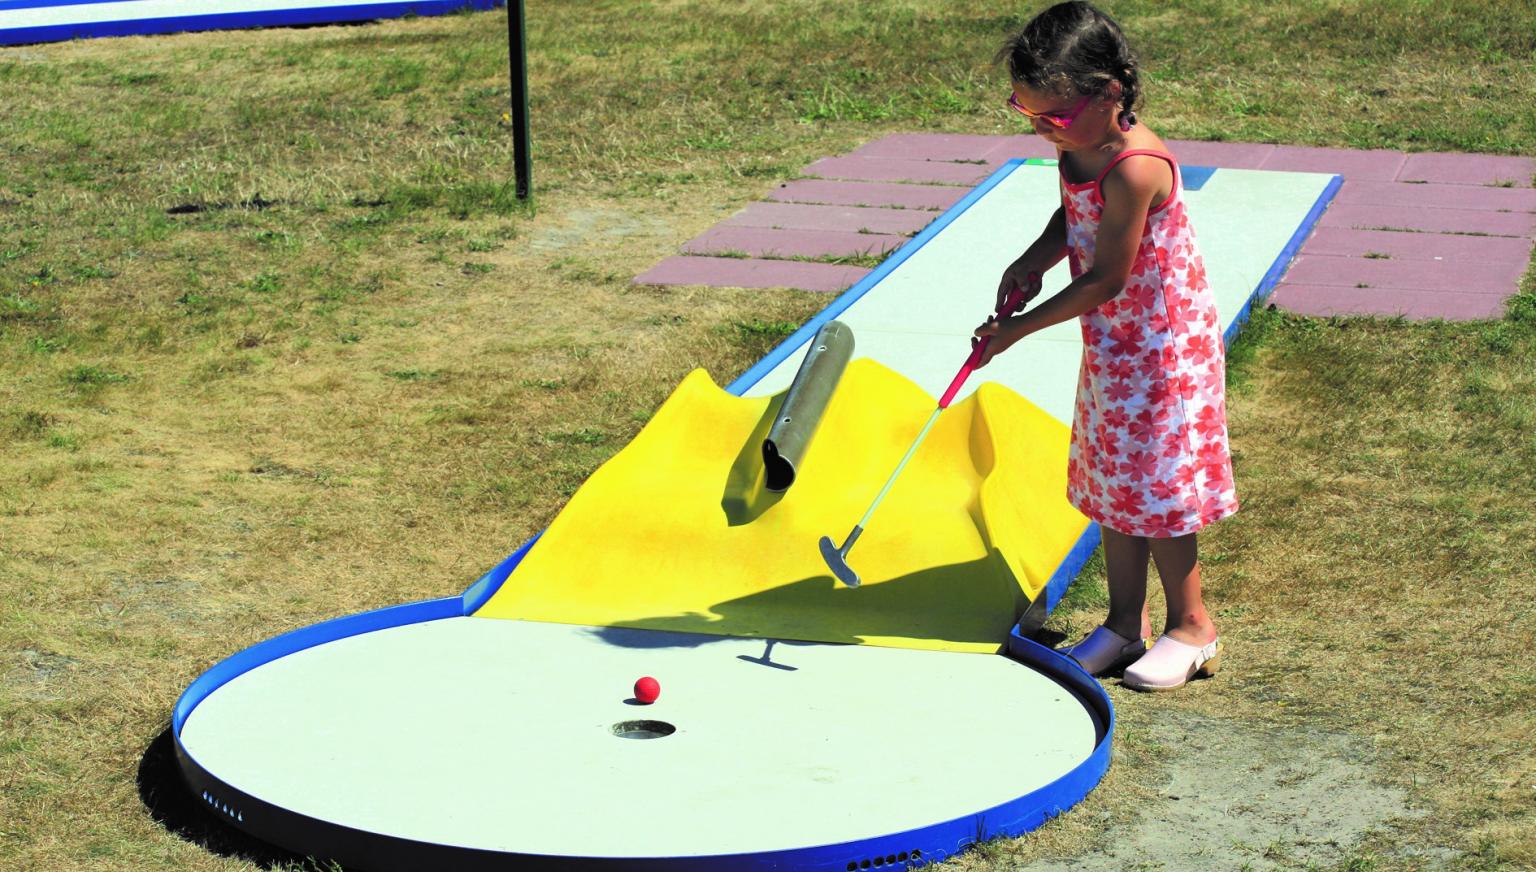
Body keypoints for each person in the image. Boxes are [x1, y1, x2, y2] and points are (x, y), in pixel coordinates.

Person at [974, 1, 1233, 691]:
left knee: (1159, 489)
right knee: (1117, 483)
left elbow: (1107, 277)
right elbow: (1072, 212)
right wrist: (1033, 259)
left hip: (1162, 352)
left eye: (1052, 117)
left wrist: (1017, 331)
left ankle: (1192, 625)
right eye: (1025, 113)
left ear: (1108, 92)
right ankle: (1125, 625)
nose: (1039, 129)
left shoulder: (1136, 167)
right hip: (1118, 347)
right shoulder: (1078, 144)